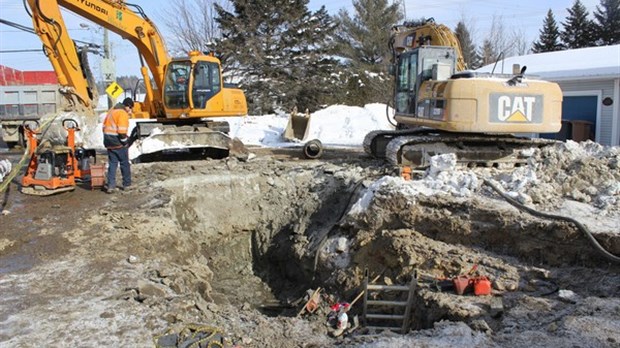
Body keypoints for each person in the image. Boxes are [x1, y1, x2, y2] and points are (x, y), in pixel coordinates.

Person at [103, 97, 132, 193]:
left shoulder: (112, 111)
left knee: (112, 163)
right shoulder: (122, 113)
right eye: (130, 108)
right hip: (117, 141)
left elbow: (104, 126)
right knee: (124, 163)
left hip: (108, 141)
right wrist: (125, 142)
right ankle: (127, 184)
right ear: (127, 106)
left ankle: (111, 186)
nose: (130, 111)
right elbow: (122, 131)